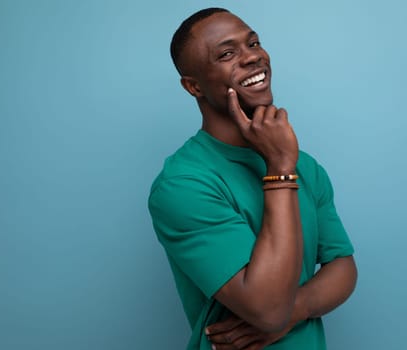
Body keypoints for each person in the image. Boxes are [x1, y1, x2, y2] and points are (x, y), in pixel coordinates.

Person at [148, 7, 357, 350]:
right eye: (227, 54)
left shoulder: (303, 164)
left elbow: (343, 267)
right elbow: (266, 309)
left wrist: (295, 310)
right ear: (193, 86)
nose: (252, 58)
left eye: (253, 43)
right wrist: (279, 169)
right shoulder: (183, 184)